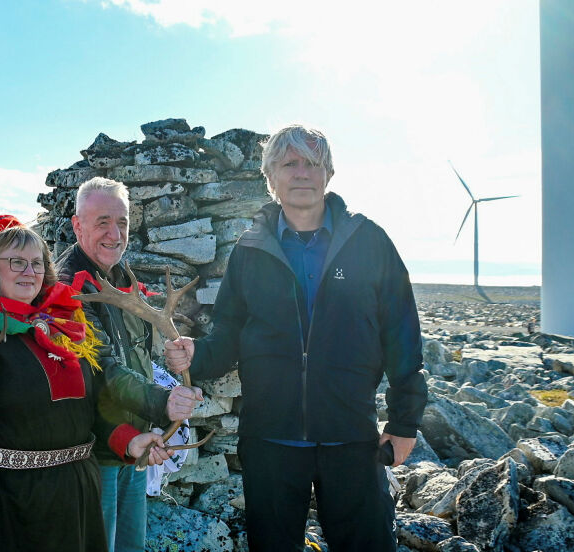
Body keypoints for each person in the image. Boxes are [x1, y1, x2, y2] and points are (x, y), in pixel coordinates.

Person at [164, 125, 428, 552]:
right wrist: (197, 355)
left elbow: (402, 335)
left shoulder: (369, 242)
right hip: (270, 440)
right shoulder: (249, 250)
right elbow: (228, 333)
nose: (301, 173)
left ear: (328, 174)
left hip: (351, 436)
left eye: (312, 164)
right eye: (290, 163)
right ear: (272, 177)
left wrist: (403, 423)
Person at [0, 219, 171, 551]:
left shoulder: (63, 329)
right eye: (16, 262)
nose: (28, 271)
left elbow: (90, 407)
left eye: (37, 263)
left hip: (72, 501)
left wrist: (129, 440)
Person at [55, 177, 203, 552]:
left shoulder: (121, 279)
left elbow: (137, 356)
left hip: (130, 448)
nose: (114, 233)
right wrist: (162, 403)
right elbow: (99, 369)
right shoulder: (67, 288)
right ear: (77, 225)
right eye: (102, 221)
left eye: (121, 222)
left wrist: (175, 356)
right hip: (92, 455)